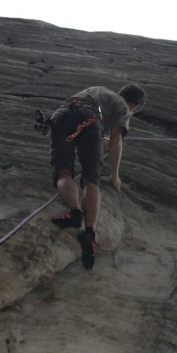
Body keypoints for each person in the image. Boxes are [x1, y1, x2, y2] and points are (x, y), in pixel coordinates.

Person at [49, 84, 146, 269]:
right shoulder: (123, 106)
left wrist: (103, 142)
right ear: (135, 106)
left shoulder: (97, 90)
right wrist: (115, 176)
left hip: (62, 115)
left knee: (63, 171)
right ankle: (90, 233)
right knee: (91, 179)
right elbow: (116, 140)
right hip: (92, 121)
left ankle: (74, 212)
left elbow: (98, 137)